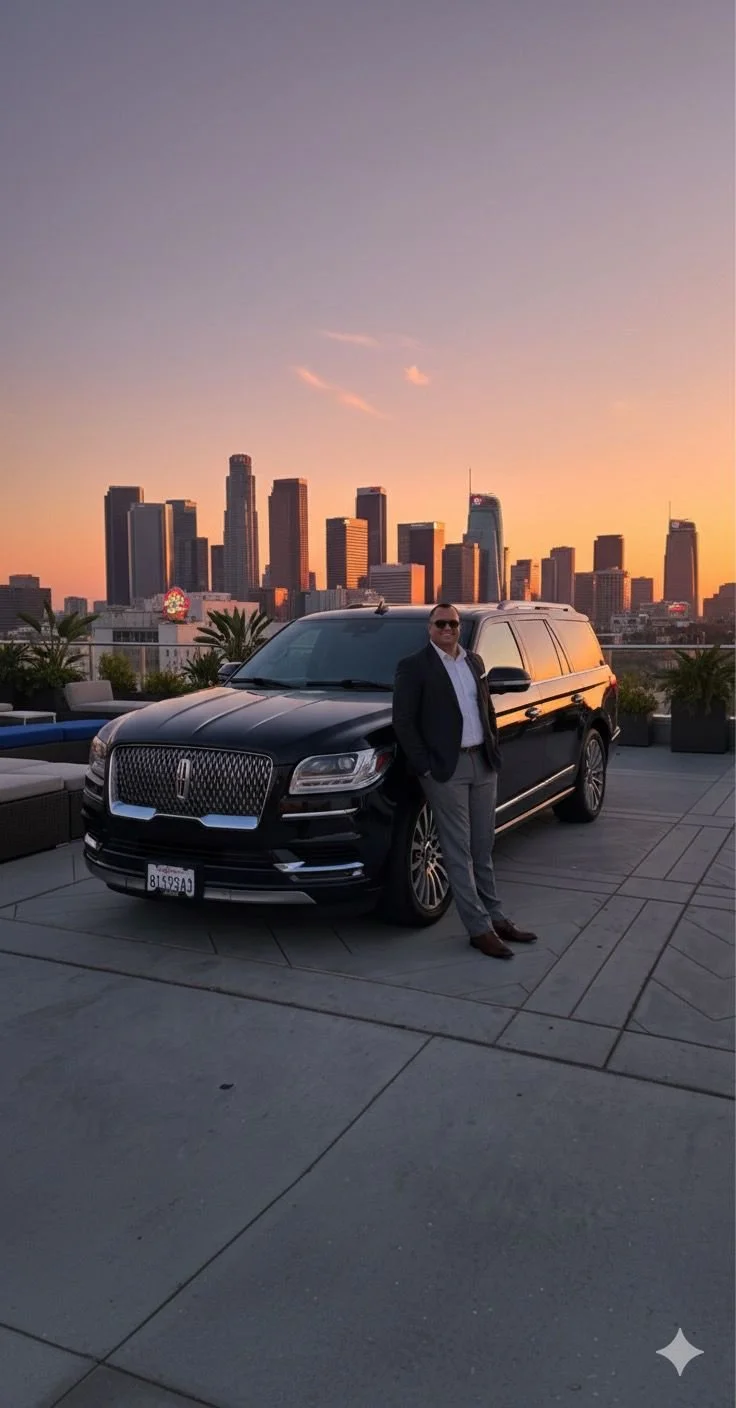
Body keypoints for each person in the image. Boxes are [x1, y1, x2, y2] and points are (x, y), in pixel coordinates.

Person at [392, 602, 539, 959]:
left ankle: (497, 917)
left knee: (482, 846)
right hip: (446, 769)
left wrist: (493, 748)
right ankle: (478, 930)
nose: (448, 629)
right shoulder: (414, 667)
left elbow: (485, 708)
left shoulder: (473, 662)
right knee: (458, 852)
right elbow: (404, 722)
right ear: (429, 628)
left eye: (453, 624)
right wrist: (425, 766)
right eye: (440, 623)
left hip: (482, 762)